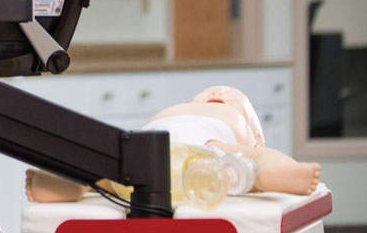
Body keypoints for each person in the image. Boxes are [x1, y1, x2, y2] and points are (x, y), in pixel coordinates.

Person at [25, 85, 323, 203]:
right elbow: (255, 145)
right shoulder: (232, 121)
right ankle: (266, 175)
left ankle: (76, 181)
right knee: (251, 165)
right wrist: (259, 153)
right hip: (201, 157)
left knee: (103, 176)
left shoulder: (175, 111)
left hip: (145, 158)